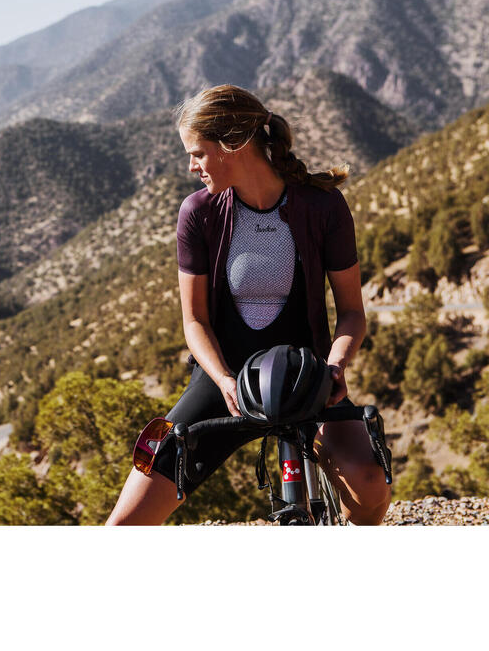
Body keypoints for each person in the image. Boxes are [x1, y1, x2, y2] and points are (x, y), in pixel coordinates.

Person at [106, 84, 392, 525]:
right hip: (225, 378)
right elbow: (195, 321)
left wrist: (335, 367)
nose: (191, 166)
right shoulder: (198, 212)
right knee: (126, 524)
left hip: (307, 373)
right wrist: (223, 380)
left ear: (234, 144)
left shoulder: (323, 206)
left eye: (197, 153)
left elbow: (352, 312)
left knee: (371, 489)